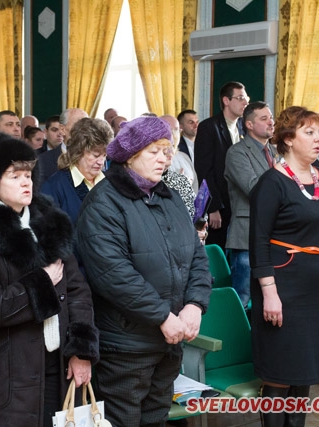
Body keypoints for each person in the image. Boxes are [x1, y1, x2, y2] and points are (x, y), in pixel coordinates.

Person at [76, 116, 211, 427]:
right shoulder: (103, 203)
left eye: (167, 150)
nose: (164, 158)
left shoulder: (170, 197)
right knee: (122, 421)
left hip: (170, 339)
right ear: (130, 155)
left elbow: (197, 257)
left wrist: (195, 304)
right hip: (126, 346)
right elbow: (114, 275)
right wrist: (163, 317)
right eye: (154, 151)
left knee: (156, 419)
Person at [0, 133, 99, 427]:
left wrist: (81, 352)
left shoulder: (49, 221)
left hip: (57, 365)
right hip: (7, 372)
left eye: (28, 174)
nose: (26, 182)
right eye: (15, 176)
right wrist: (42, 283)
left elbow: (77, 291)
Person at [249, 106, 319, 426]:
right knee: (280, 377)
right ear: (288, 139)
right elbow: (259, 242)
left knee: (304, 375)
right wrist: (269, 293)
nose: (318, 139)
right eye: (309, 132)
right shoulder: (271, 183)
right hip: (283, 288)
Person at [224, 102, 275, 308]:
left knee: (266, 301)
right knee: (242, 299)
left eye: (271, 117)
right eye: (264, 118)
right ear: (250, 125)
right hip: (246, 235)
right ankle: (235, 340)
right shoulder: (237, 152)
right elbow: (254, 189)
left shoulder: (274, 151)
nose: (271, 122)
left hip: (273, 236)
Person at [194, 81, 249, 249]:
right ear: (226, 101)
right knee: (218, 250)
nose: (245, 102)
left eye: (246, 98)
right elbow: (204, 170)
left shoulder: (244, 128)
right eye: (240, 98)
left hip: (238, 204)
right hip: (219, 205)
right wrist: (214, 207)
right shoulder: (209, 127)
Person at [41, 118, 112, 224]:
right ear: (78, 151)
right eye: (96, 155)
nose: (101, 162)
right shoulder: (53, 186)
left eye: (104, 155)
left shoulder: (110, 183)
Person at [38, 108, 88, 185]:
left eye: (87, 125)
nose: (85, 129)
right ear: (62, 129)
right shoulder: (43, 161)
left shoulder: (97, 159)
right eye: (79, 124)